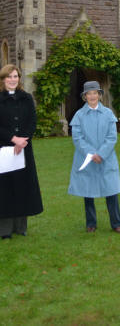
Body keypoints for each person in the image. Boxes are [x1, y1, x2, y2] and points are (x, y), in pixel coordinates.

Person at [68, 80, 120, 233]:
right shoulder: (79, 115)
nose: (92, 96)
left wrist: (102, 154)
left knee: (111, 190)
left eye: (95, 93)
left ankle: (116, 223)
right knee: (88, 191)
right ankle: (91, 223)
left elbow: (112, 137)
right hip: (87, 159)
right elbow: (77, 138)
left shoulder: (108, 114)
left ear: (99, 95)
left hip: (107, 158)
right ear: (84, 97)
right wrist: (92, 154)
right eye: (89, 94)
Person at [0, 64, 43, 239]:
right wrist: (13, 139)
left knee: (22, 187)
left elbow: (32, 120)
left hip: (23, 149)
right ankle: (5, 230)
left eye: (15, 76)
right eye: (9, 77)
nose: (12, 80)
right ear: (3, 80)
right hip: (4, 148)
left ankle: (21, 227)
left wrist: (23, 139)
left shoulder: (26, 98)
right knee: (5, 188)